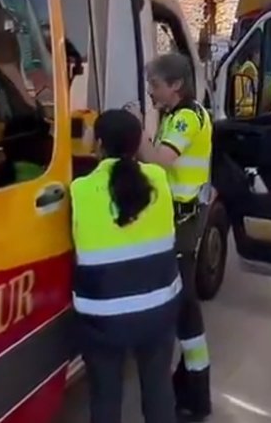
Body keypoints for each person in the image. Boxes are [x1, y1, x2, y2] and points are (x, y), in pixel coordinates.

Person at [70, 108, 181, 423]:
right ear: (137, 143)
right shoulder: (158, 179)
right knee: (159, 389)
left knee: (105, 396)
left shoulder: (80, 190)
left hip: (103, 318)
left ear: (98, 144)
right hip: (159, 309)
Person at [141, 53, 213, 421]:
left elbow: (160, 161)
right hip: (175, 217)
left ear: (176, 85)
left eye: (155, 84)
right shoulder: (173, 114)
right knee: (182, 303)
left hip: (183, 221)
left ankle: (196, 393)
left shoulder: (186, 117)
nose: (150, 91)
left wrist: (135, 134)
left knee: (185, 305)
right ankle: (188, 381)